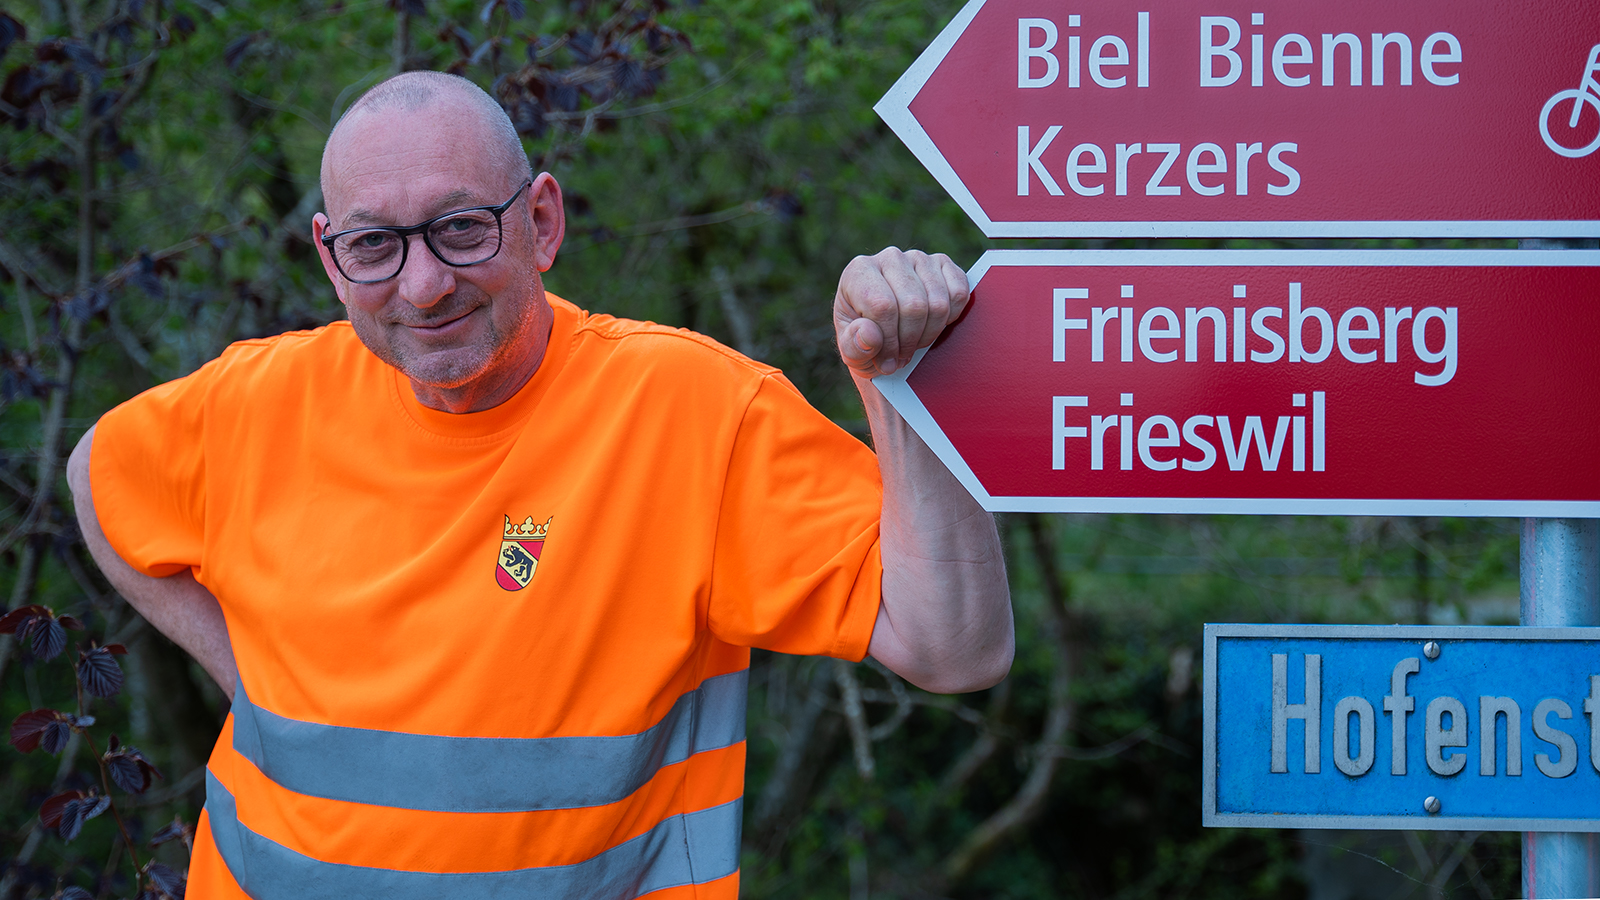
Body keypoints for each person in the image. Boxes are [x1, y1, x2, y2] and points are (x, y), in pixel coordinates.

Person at [65, 71, 1010, 899]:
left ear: (542, 223)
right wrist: (243, 676)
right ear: (330, 256)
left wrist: (905, 384)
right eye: (374, 246)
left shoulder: (693, 412)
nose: (424, 284)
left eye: (462, 228)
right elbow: (93, 477)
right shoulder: (254, 401)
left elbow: (953, 648)